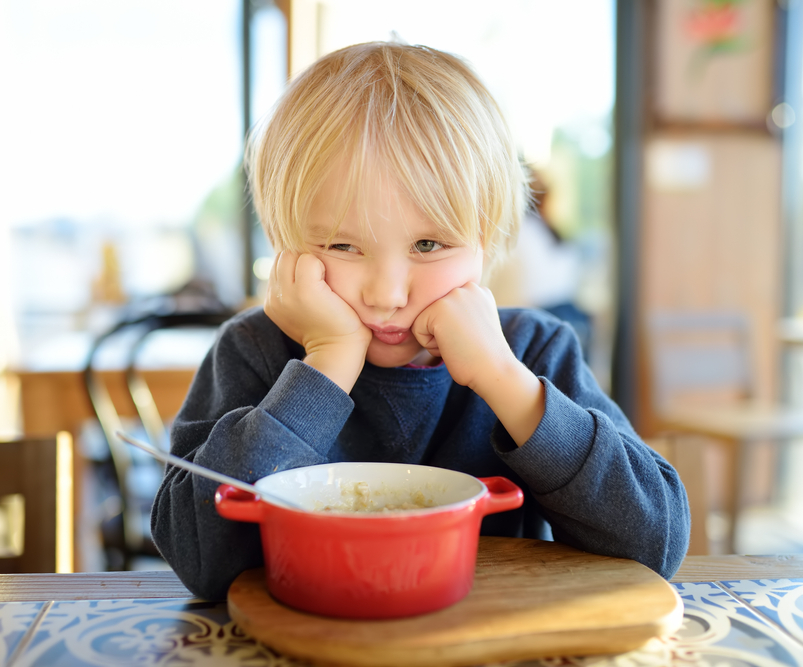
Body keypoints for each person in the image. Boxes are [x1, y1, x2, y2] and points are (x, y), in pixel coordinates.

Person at [151, 41, 690, 601]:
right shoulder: (253, 351)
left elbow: (656, 543)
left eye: (428, 244)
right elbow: (198, 561)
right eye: (342, 244)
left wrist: (506, 383)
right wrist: (327, 362)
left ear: (485, 239)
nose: (386, 293)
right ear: (288, 243)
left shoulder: (533, 352)